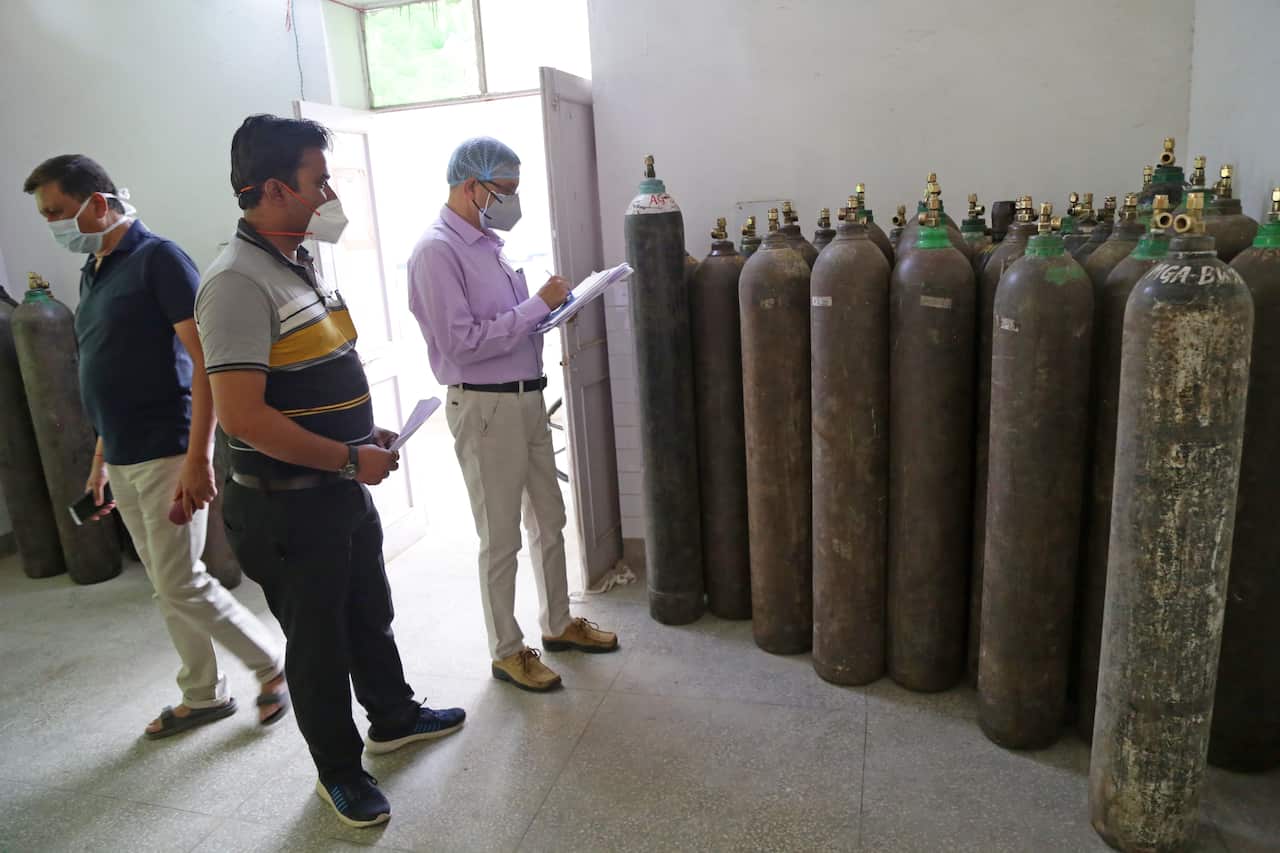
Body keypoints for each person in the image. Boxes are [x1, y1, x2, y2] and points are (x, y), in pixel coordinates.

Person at [195, 114, 464, 829]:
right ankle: (338, 774)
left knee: (368, 613)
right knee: (317, 644)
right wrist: (348, 455)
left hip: (337, 491)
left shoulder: (297, 263)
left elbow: (308, 376)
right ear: (276, 189)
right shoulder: (233, 283)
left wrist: (357, 431)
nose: (329, 195)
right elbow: (245, 417)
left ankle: (394, 716)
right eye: (319, 182)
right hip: (287, 506)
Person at [24, 155, 288, 739]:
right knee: (167, 585)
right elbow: (104, 372)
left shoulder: (159, 260)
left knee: (180, 582)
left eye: (57, 213)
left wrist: (199, 458)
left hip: (168, 450)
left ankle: (271, 667)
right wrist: (99, 459)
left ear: (97, 201)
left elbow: (207, 362)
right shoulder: (94, 269)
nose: (52, 227)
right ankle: (202, 693)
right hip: (120, 455)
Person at [408, 137, 619, 693]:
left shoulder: (489, 245)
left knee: (550, 519)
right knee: (500, 536)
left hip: (525, 398)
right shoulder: (436, 251)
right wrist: (535, 307)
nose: (511, 201)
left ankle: (559, 623)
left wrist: (551, 312)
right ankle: (507, 650)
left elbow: (510, 323)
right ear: (470, 185)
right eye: (504, 191)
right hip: (484, 406)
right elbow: (461, 344)